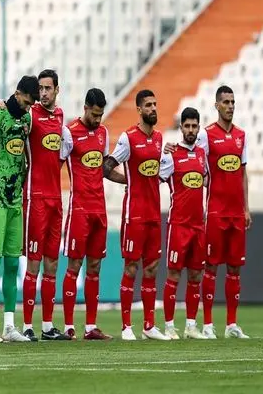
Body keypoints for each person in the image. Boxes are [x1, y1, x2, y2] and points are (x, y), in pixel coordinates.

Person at [165, 86, 251, 339]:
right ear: (217, 105)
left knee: (235, 269)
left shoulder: (241, 136)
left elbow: (243, 173)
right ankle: (208, 324)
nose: (230, 106)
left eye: (233, 101)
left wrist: (246, 208)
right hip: (214, 212)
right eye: (226, 102)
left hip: (236, 213)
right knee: (209, 268)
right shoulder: (206, 135)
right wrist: (170, 149)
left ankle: (231, 324)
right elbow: (189, 150)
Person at [0, 75, 40, 343]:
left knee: (13, 264)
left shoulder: (26, 120)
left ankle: (10, 327)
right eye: (27, 101)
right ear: (18, 93)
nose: (29, 107)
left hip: (16, 202)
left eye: (32, 104)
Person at [103, 89, 170, 341]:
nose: (153, 108)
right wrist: (127, 180)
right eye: (148, 105)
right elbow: (106, 167)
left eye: (155, 104)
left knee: (151, 268)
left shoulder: (159, 138)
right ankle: (126, 327)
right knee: (131, 267)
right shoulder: (128, 138)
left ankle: (149, 325)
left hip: (153, 213)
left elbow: (157, 172)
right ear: (139, 109)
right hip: (134, 214)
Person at [59, 88, 112, 340]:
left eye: (101, 115)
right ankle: (69, 326)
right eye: (94, 114)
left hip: (99, 209)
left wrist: (130, 180)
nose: (98, 119)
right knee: (74, 266)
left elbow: (105, 169)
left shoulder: (103, 133)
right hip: (79, 209)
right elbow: (55, 164)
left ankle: (91, 327)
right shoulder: (69, 132)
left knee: (95, 267)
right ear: (85, 108)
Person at [21, 69, 69, 341]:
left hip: (55, 199)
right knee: (34, 263)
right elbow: (12, 117)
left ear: (57, 89)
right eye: (40, 88)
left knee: (52, 264)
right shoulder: (30, 114)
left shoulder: (60, 116)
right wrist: (2, 104)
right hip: (35, 198)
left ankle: (48, 326)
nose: (43, 93)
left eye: (48, 88)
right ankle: (27, 325)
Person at [159, 107, 208, 340]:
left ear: (198, 128)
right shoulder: (171, 155)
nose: (190, 130)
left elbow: (205, 179)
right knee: (174, 275)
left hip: (199, 226)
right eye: (187, 126)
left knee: (196, 276)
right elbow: (155, 178)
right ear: (181, 128)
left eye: (194, 126)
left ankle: (191, 326)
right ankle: (169, 326)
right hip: (178, 225)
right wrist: (162, 154)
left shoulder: (202, 154)